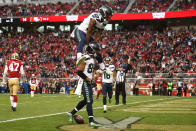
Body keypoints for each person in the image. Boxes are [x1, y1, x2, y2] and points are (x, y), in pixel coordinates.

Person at [67, 42, 102, 127]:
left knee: (87, 100)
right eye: (96, 50)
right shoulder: (85, 58)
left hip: (88, 82)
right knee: (89, 100)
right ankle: (91, 121)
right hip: (85, 82)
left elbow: (89, 72)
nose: (97, 52)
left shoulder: (91, 59)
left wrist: (92, 79)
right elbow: (79, 72)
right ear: (92, 50)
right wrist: (88, 79)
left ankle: (71, 113)